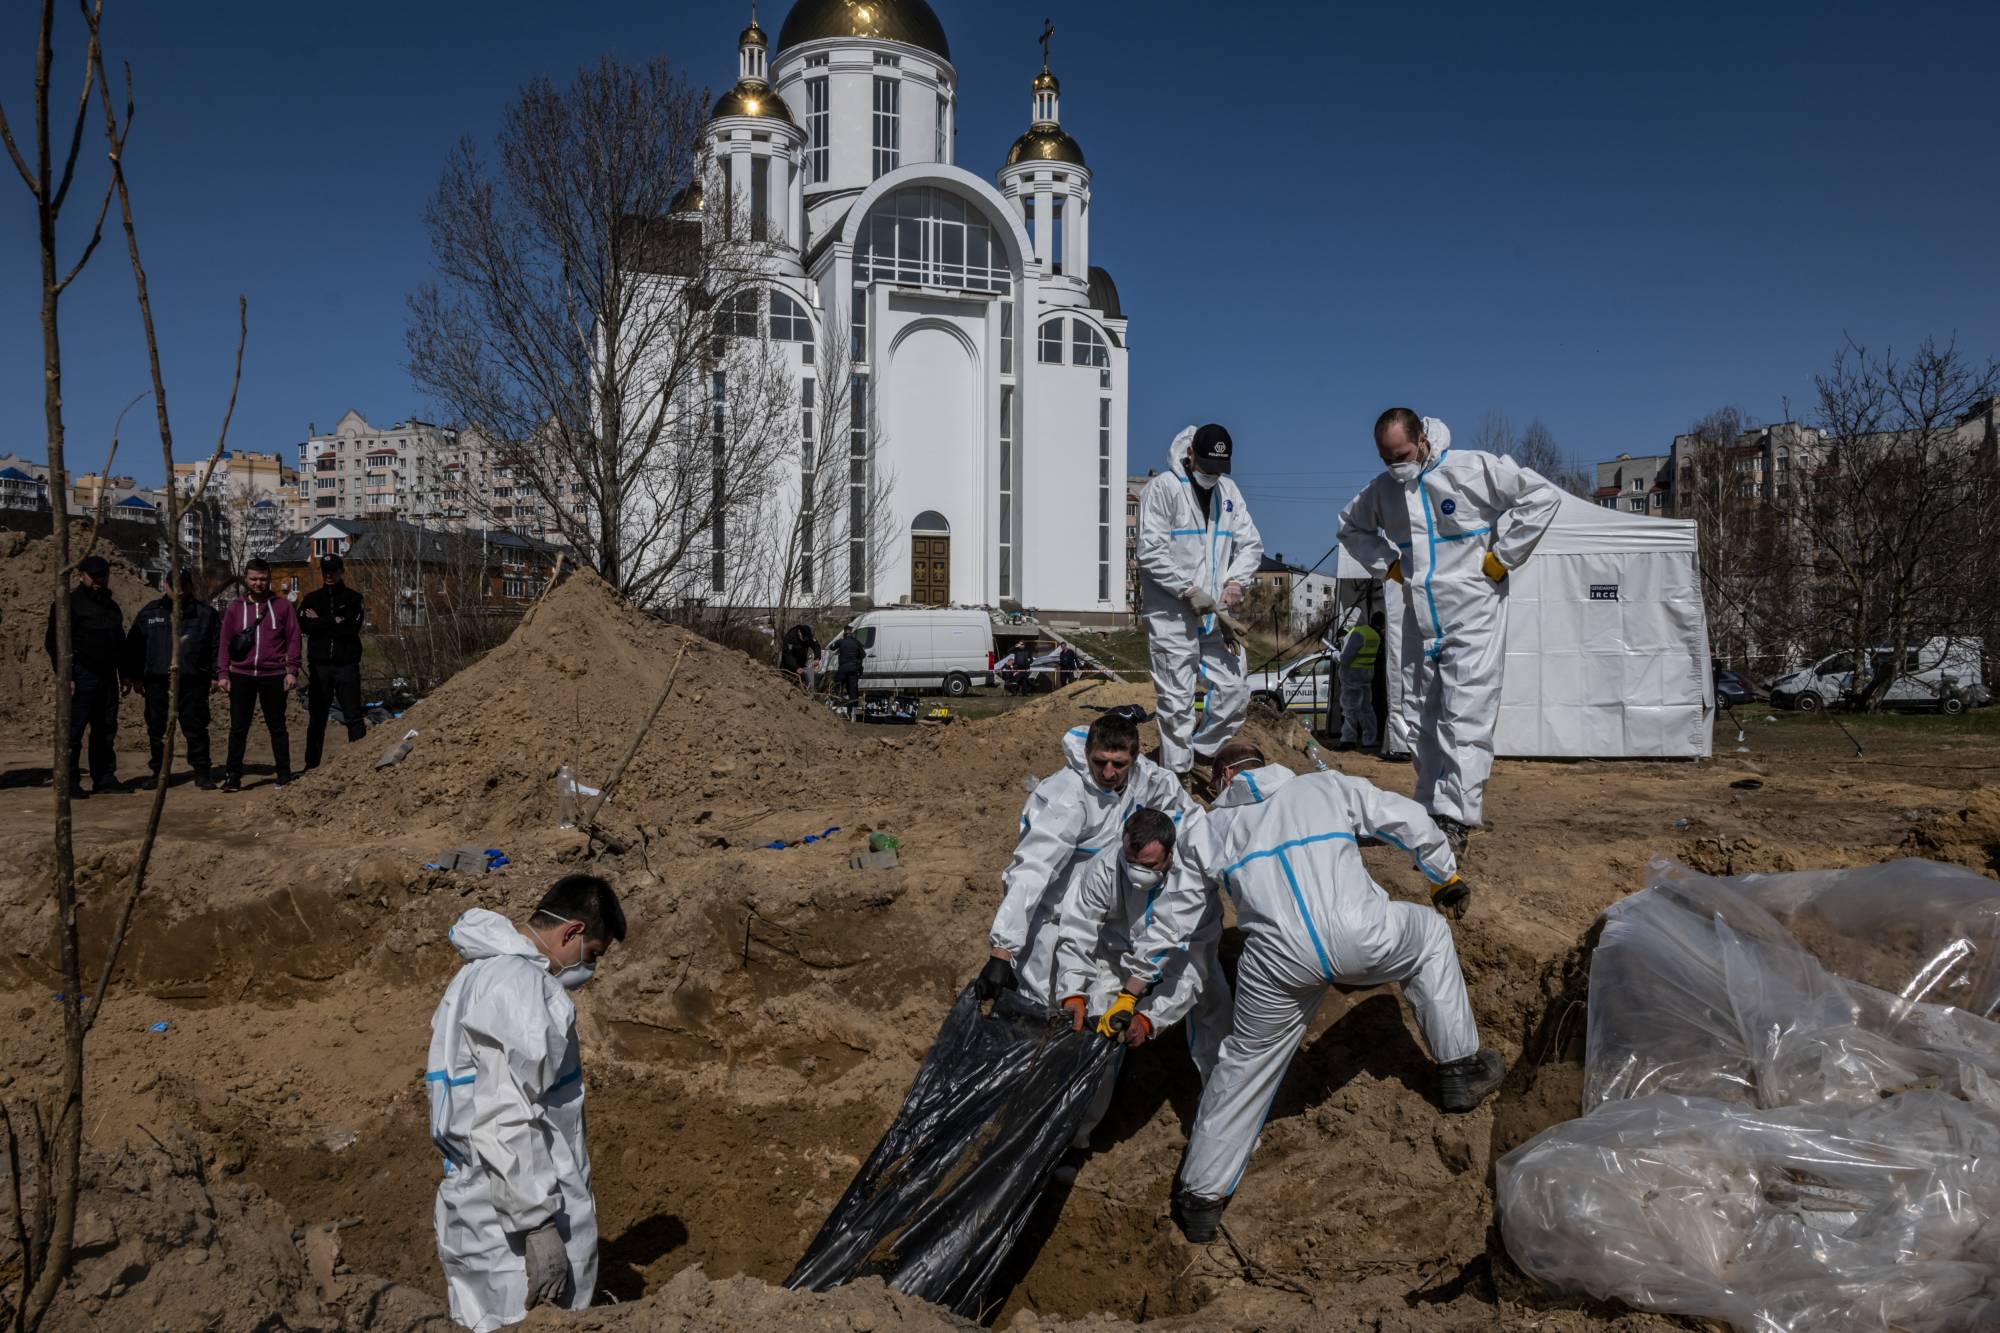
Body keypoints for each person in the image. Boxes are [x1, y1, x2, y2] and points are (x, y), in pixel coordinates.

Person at [1135, 739, 1502, 1243]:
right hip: (1362, 935)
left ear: (1220, 779)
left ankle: (1201, 1198)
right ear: (1265, 766)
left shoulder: (1208, 829)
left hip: (1277, 962)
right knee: (1431, 937)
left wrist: (1133, 986)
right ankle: (1460, 1068)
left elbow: (1171, 918)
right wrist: (1444, 876)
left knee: (1243, 1067)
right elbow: (1406, 819)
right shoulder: (1322, 786)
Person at [1337, 409, 1559, 853]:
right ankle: (1429, 806)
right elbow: (1350, 527)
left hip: (1473, 615)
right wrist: (1391, 564)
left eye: (1401, 455)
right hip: (1422, 618)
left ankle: (1456, 816)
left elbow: (1541, 496)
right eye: (1386, 459)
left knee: (1465, 716)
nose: (1396, 465)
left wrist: (1504, 556)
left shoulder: (1472, 469)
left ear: (1422, 440)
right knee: (1420, 715)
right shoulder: (1385, 491)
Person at [976, 711, 1231, 1067]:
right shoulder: (1067, 796)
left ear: (1135, 757)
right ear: (1087, 755)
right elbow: (1032, 872)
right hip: (1060, 911)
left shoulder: (1155, 785)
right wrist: (1002, 951)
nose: (1109, 773)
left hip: (1123, 909)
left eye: (1119, 764)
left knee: (1194, 984)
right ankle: (1029, 1067)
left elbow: (1194, 827)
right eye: (1100, 763)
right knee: (1047, 1000)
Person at [427, 874, 626, 1330]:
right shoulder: (521, 988)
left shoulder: (475, 976)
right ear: (572, 931)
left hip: (475, 1205)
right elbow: (505, 1114)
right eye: (593, 954)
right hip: (511, 1227)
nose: (589, 968)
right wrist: (536, 1225)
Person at [1051, 806, 1222, 1175]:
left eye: (1147, 864)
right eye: (1130, 860)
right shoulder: (1104, 867)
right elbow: (1079, 930)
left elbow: (1190, 968)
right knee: (1101, 1037)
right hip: (1116, 958)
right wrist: (1073, 989)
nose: (1135, 871)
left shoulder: (1194, 887)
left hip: (1175, 961)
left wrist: (1149, 1018)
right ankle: (1076, 1138)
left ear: (1170, 855)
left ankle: (1218, 1123)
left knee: (1216, 1026)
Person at [1136, 424, 1264, 777]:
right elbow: (1150, 552)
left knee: (1236, 690)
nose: (1211, 475)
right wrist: (1189, 590)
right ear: (1190, 454)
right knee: (1177, 702)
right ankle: (1177, 778)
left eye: (1218, 469)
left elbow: (1251, 544)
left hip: (1215, 617)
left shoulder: (1228, 491)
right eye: (1206, 467)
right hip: (1172, 616)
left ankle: (1199, 754)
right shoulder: (1163, 489)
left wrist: (1236, 583)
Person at [121, 569, 220, 789]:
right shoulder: (150, 613)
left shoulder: (205, 614)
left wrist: (215, 675)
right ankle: (160, 772)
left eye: (184, 587)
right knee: (158, 728)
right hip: (157, 681)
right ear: (165, 586)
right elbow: (134, 646)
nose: (179, 592)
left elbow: (216, 647)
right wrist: (135, 676)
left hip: (192, 680)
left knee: (195, 727)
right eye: (175, 587)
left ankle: (202, 772)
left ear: (190, 587)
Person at [214, 557, 302, 791]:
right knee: (238, 728)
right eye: (253, 579)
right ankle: (233, 776)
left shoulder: (282, 607)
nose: (258, 583)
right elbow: (224, 642)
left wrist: (291, 670)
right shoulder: (235, 608)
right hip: (241, 675)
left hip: (273, 675)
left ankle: (283, 773)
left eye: (263, 579)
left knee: (277, 726)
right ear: (245, 579)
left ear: (269, 579)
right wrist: (223, 673)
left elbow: (293, 638)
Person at [44, 553, 126, 797]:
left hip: (107, 675)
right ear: (82, 576)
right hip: (80, 674)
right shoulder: (68, 604)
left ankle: (104, 777)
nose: (100, 580)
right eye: (95, 576)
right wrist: (65, 675)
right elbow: (55, 643)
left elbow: (119, 642)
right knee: (74, 731)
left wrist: (126, 674)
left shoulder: (111, 606)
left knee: (105, 729)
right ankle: (69, 783)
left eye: (104, 576)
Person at [299, 553, 367, 771]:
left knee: (353, 716)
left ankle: (358, 764)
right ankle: (311, 766)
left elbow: (350, 629)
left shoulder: (354, 599)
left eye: (334, 571)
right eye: (326, 571)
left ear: (341, 571)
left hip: (346, 666)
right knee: (317, 718)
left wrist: (318, 621)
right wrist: (332, 621)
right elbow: (303, 626)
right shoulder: (311, 599)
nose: (329, 575)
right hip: (319, 668)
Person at [1335, 611, 1384, 751]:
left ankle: (1348, 740)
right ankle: (1369, 739)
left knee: (1350, 708)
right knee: (1366, 708)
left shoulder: (1356, 633)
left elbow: (1345, 659)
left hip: (1352, 675)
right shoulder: (1373, 633)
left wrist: (1335, 654)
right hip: (1367, 674)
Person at [828, 625, 867, 704]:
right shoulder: (856, 642)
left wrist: (840, 649)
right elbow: (863, 655)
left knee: (838, 685)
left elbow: (831, 647)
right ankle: (853, 707)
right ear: (852, 633)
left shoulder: (841, 641)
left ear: (844, 632)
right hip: (853, 669)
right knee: (853, 690)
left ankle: (838, 702)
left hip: (843, 669)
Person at [781, 622, 820, 690]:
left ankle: (809, 692)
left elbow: (816, 646)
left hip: (802, 664)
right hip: (790, 667)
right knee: (789, 685)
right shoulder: (789, 638)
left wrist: (817, 658)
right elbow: (788, 656)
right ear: (799, 632)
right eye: (804, 638)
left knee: (808, 678)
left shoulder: (808, 635)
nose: (805, 640)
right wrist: (796, 667)